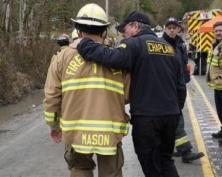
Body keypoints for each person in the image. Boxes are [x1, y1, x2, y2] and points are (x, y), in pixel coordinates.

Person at [73, 10, 187, 177]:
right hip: (171, 115)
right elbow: (181, 86)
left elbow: (111, 57)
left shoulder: (135, 45)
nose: (123, 34)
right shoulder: (169, 48)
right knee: (165, 160)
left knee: (151, 166)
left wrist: (84, 43)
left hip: (147, 118)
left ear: (135, 26)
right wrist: (176, 110)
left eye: (124, 29)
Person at [43, 3, 131, 177]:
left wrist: (54, 125)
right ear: (103, 32)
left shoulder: (61, 58)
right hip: (110, 135)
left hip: (76, 133)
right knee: (111, 173)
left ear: (79, 31)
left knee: (79, 170)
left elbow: (52, 96)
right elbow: (128, 95)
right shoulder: (117, 60)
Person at [161, 17, 205, 163]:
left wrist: (186, 79)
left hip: (179, 86)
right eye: (170, 27)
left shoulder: (180, 44)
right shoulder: (161, 44)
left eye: (175, 27)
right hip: (167, 87)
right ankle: (185, 151)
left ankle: (168, 148)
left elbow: (184, 63)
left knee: (174, 117)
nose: (172, 30)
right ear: (165, 29)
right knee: (176, 117)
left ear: (179, 29)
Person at [206, 21, 222, 145]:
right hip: (217, 84)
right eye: (216, 30)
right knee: (220, 110)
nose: (218, 32)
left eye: (220, 30)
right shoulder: (214, 44)